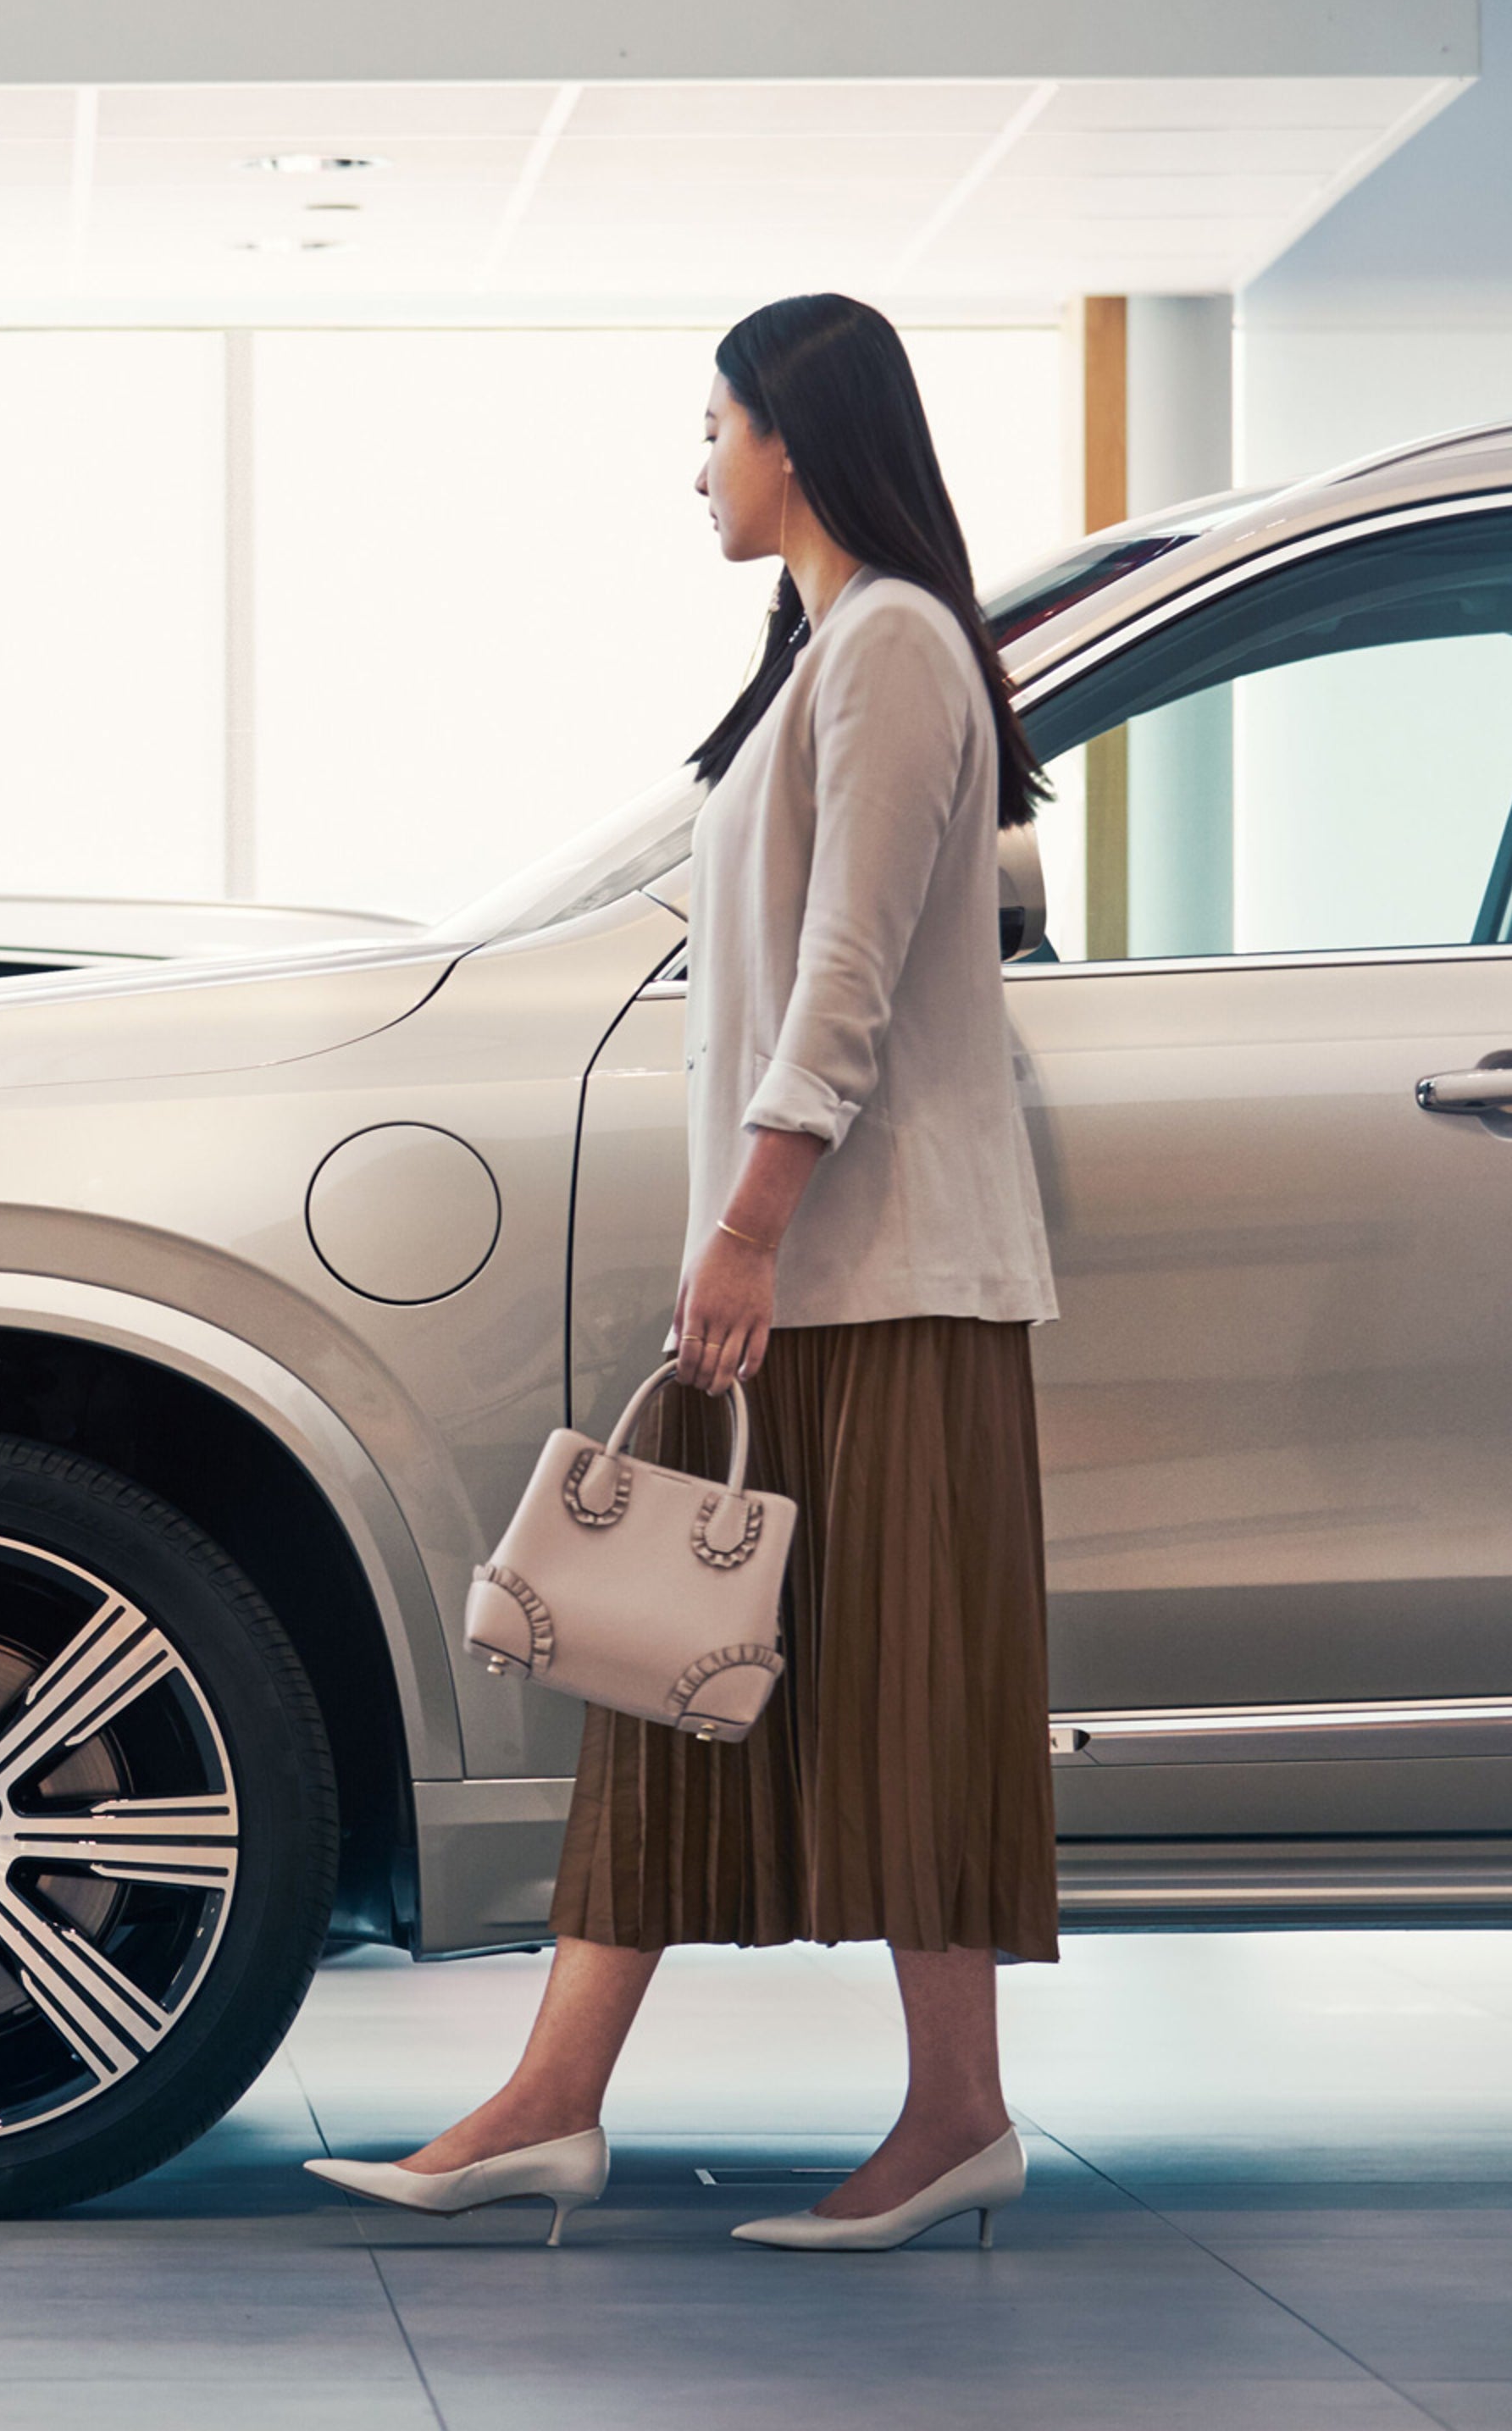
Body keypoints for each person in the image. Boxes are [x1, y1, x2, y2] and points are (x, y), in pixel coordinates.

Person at [309, 294, 1061, 2251]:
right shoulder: (833, 651)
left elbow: (852, 975)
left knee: (894, 1703)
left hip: (878, 1280)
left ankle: (958, 2113)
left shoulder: (892, 644)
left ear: (796, 437)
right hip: (814, 1273)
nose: (697, 463)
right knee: (664, 1667)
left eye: (713, 423)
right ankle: (553, 2100)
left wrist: (745, 1221)